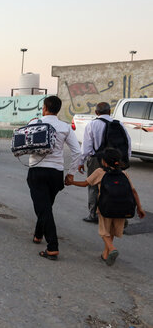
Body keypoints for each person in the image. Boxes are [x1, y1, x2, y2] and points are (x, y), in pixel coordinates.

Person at [66, 148, 145, 266]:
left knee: (104, 232)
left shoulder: (100, 172)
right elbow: (133, 191)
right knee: (112, 231)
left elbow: (85, 184)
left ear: (104, 162)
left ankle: (112, 249)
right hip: (122, 209)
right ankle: (105, 254)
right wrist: (139, 208)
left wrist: (72, 182)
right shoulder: (124, 173)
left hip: (105, 208)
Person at [27, 96, 81, 261]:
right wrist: (71, 173)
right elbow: (77, 151)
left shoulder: (34, 123)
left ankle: (52, 247)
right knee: (46, 206)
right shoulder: (65, 127)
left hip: (37, 171)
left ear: (44, 108)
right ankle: (37, 235)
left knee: (43, 208)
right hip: (56, 173)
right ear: (57, 109)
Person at [78, 102, 131, 224]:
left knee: (93, 187)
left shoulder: (92, 125)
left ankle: (93, 214)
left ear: (96, 112)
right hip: (115, 160)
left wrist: (81, 161)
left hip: (97, 160)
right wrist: (125, 159)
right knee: (115, 186)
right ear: (109, 112)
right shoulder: (118, 124)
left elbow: (86, 147)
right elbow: (127, 142)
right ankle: (116, 213)